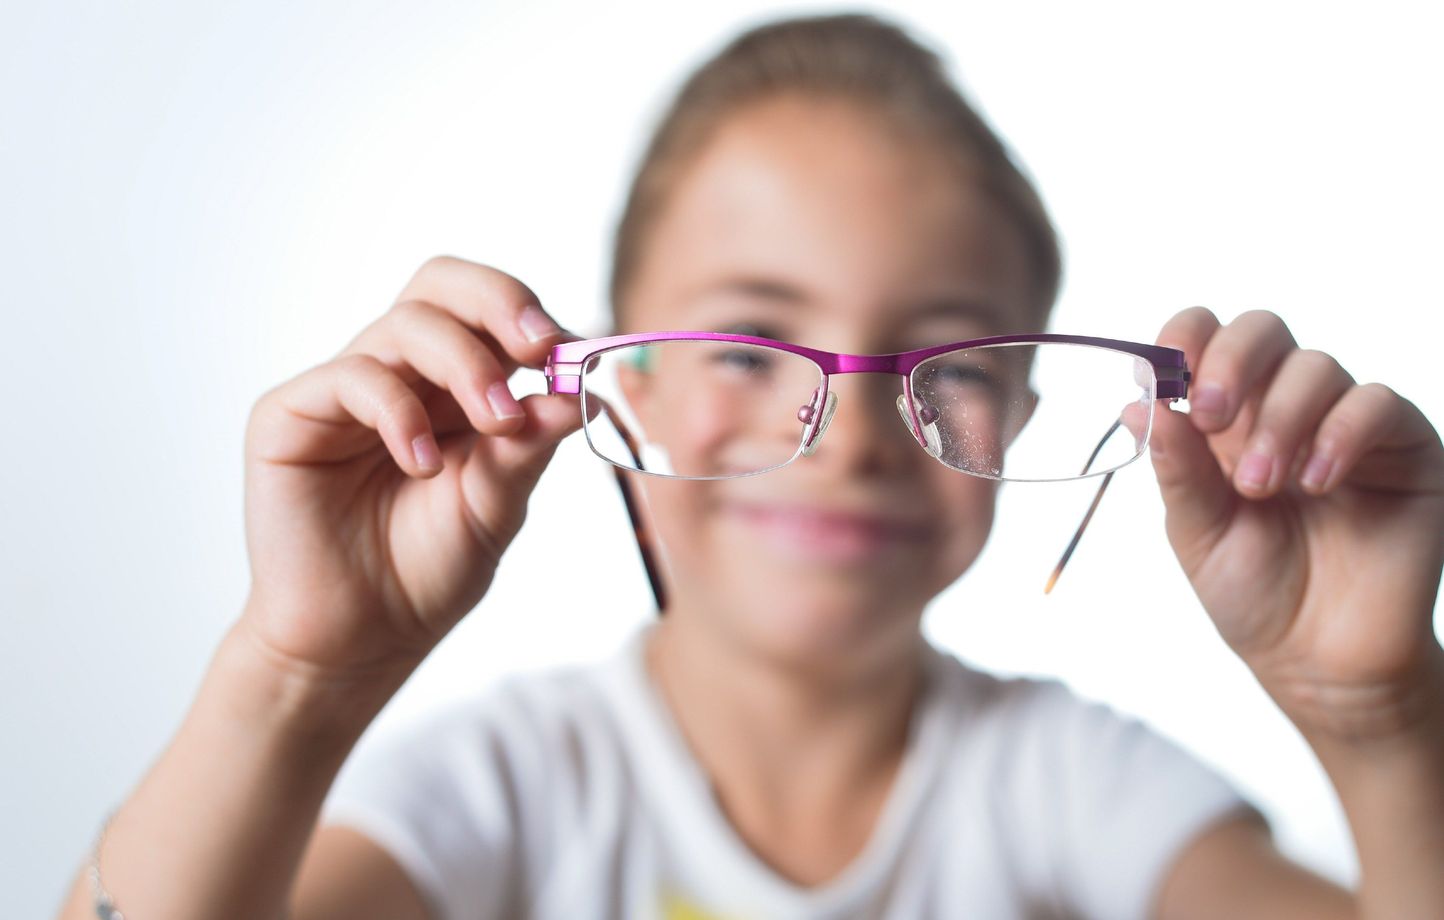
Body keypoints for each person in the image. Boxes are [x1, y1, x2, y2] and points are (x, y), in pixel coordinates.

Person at [54, 13, 1444, 920]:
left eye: (949, 366)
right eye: (742, 348)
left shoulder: (1075, 793)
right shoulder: (501, 792)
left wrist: (1380, 716)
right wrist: (294, 677)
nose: (844, 437)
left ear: (1022, 418)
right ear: (615, 379)